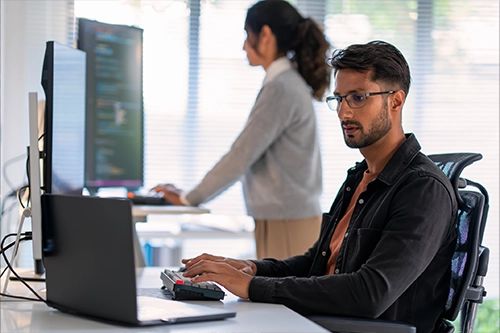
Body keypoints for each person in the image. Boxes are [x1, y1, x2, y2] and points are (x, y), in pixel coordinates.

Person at [177, 41, 458, 333]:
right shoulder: (359, 177)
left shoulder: (423, 190)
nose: (343, 113)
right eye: (339, 99)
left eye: (358, 98)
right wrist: (251, 269)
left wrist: (252, 287)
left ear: (395, 101)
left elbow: (370, 294)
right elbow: (316, 262)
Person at [154, 0, 331, 260]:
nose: (244, 46)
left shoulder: (281, 88)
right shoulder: (285, 83)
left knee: (281, 301)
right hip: (286, 220)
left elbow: (240, 156)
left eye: (247, 36)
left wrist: (189, 198)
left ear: (266, 35)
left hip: (288, 224)